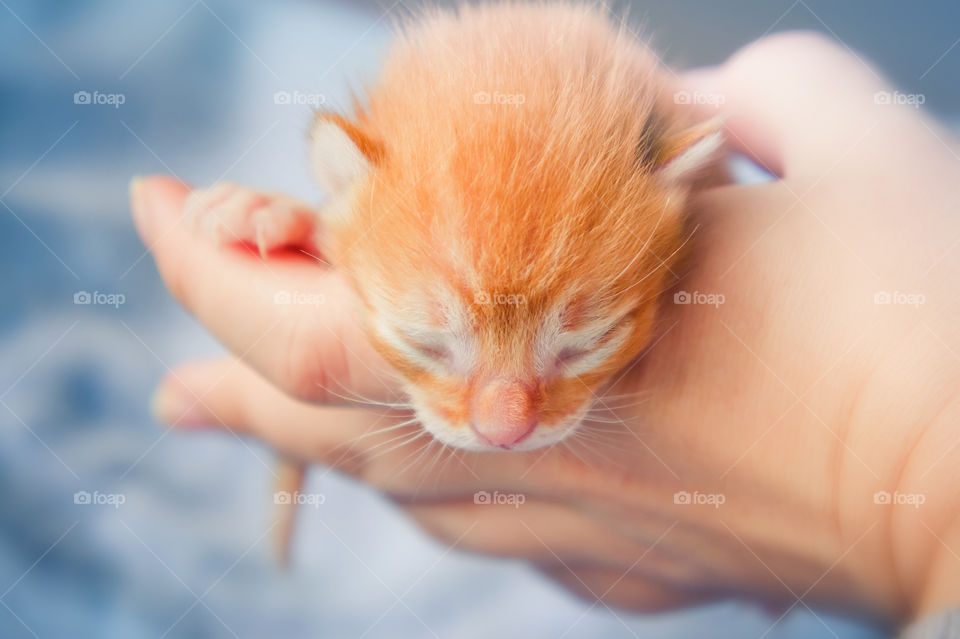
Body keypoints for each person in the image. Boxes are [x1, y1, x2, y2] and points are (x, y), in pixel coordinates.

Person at [130, 32, 960, 637]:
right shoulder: (376, 189)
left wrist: (899, 471)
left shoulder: (671, 169)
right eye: (431, 344)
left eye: (580, 343)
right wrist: (305, 232)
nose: (503, 423)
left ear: (681, 184)